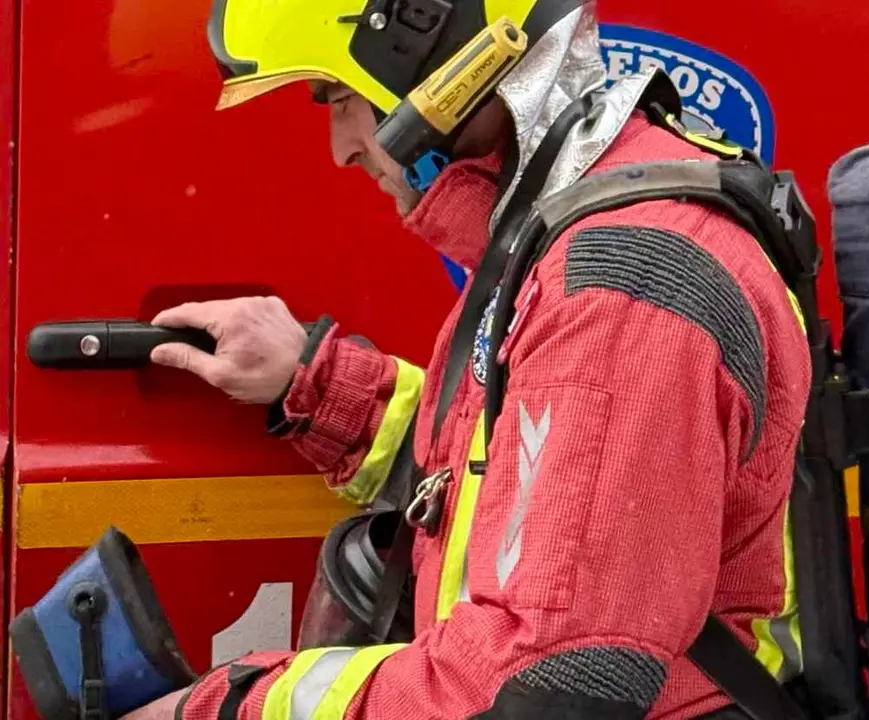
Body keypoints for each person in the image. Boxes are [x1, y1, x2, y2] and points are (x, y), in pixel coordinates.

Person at [125, 0, 811, 717]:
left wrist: (215, 709)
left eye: (338, 97)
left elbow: (535, 690)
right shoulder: (562, 234)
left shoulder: (617, 289)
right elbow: (515, 473)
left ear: (433, 58)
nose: (341, 149)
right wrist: (320, 385)